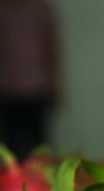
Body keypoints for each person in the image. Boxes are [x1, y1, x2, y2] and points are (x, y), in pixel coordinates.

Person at [0, 0, 60, 161]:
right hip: (8, 89)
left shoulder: (40, 6)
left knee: (40, 145)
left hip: (37, 87)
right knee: (9, 146)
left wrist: (54, 83)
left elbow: (51, 44)